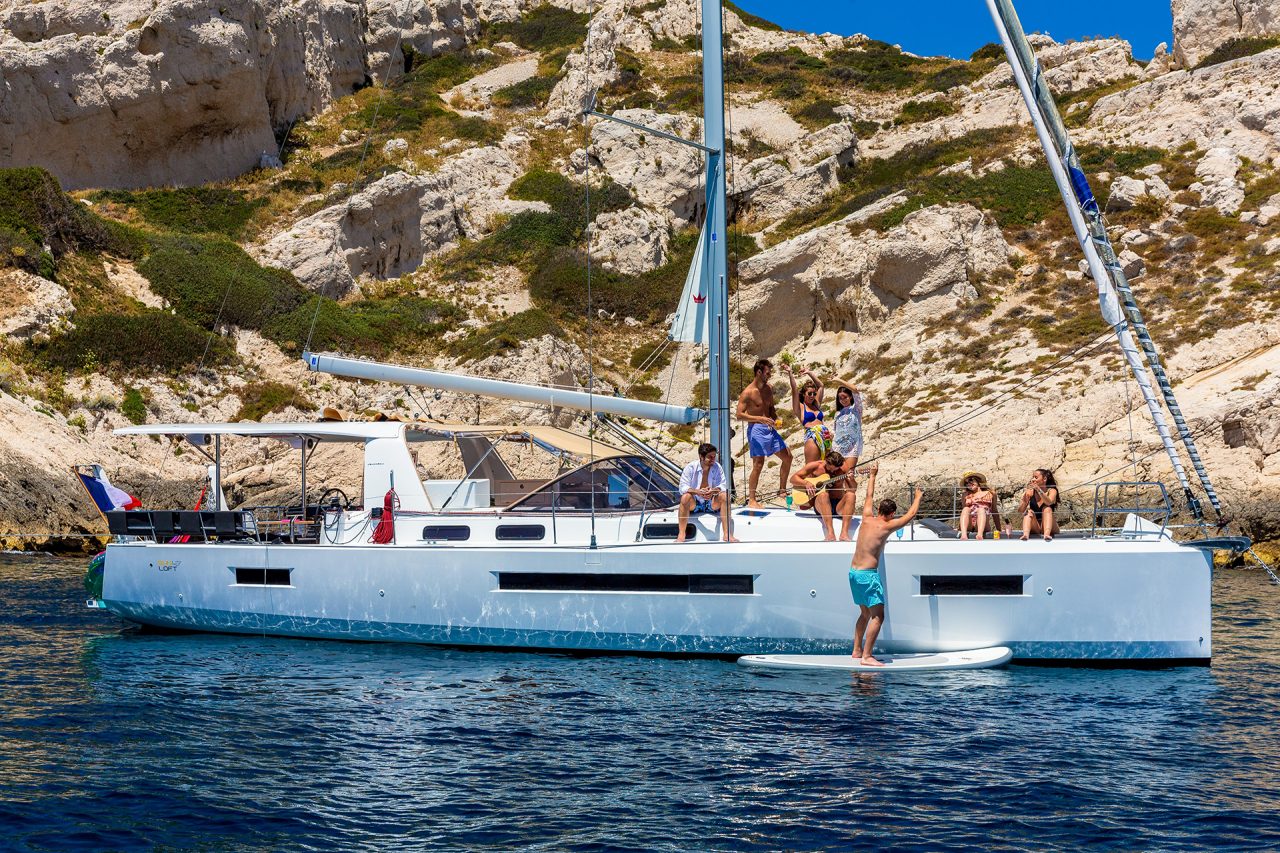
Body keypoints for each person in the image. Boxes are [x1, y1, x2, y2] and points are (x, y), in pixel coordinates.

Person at [850, 465, 923, 666]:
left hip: (853, 573)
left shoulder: (866, 518)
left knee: (864, 613)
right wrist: (917, 496)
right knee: (878, 617)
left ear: (879, 510)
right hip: (867, 575)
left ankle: (856, 651)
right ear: (891, 514)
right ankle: (867, 656)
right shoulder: (886, 526)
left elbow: (869, 496)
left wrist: (872, 475)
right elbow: (910, 516)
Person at [735, 358, 793, 508]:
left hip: (770, 428)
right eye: (768, 372)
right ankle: (752, 499)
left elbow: (771, 409)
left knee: (788, 457)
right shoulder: (748, 392)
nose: (770, 375)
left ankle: (782, 490)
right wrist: (759, 418)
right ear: (759, 372)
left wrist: (776, 418)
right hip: (756, 430)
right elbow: (739, 415)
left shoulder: (768, 389)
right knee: (758, 464)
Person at [676, 442, 737, 543]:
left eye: (714, 456)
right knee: (685, 497)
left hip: (711, 502)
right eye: (710, 457)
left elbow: (722, 485)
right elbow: (682, 487)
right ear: (701, 457)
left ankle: (727, 534)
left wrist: (712, 491)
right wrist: (697, 492)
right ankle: (682, 534)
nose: (713, 459)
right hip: (695, 502)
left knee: (725, 496)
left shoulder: (717, 467)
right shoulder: (691, 467)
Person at [789, 451, 857, 541]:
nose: (832, 471)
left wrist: (851, 480)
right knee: (823, 495)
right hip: (822, 504)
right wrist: (806, 483)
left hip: (838, 505)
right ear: (826, 461)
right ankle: (830, 534)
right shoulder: (815, 466)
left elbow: (853, 488)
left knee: (851, 495)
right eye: (830, 469)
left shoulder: (843, 468)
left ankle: (844, 534)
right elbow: (793, 479)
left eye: (835, 470)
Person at [787, 365, 832, 466]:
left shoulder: (816, 404)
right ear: (803, 394)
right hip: (812, 436)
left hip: (825, 435)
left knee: (827, 466)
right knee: (812, 468)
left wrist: (809, 372)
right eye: (810, 393)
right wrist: (790, 373)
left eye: (814, 394)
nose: (812, 396)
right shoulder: (800, 408)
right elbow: (794, 389)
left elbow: (821, 386)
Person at [1018, 467, 1060, 541]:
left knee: (1047, 508)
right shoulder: (1030, 492)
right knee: (1029, 511)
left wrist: (1038, 489)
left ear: (1044, 479)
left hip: (1050, 527)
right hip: (1036, 526)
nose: (1033, 479)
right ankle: (1025, 535)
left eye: (1036, 477)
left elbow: (1049, 502)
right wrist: (1025, 498)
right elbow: (1020, 511)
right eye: (1033, 477)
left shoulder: (1052, 491)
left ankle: (1046, 535)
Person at [831, 384, 864, 470]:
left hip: (852, 448)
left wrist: (838, 381)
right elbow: (835, 431)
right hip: (837, 448)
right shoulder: (837, 414)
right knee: (839, 478)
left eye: (845, 397)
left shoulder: (856, 409)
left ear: (850, 397)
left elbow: (855, 390)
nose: (843, 400)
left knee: (849, 475)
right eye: (840, 398)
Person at [959, 470, 996, 540]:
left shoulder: (990, 493)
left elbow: (995, 511)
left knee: (981, 510)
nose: (969, 484)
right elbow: (964, 513)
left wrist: (999, 528)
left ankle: (979, 535)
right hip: (969, 525)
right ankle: (964, 535)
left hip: (983, 525)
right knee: (966, 509)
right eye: (966, 483)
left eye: (970, 480)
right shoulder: (965, 495)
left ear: (978, 480)